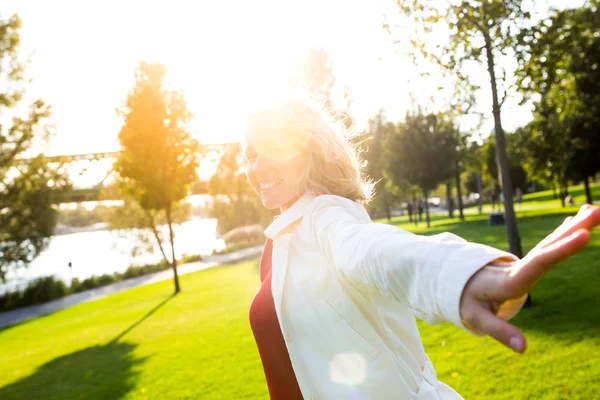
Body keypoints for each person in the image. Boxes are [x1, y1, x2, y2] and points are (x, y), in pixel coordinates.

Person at [244, 101, 600, 399]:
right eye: (250, 154)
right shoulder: (279, 242)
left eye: (273, 149)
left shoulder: (326, 215)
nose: (257, 166)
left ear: (310, 154)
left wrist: (458, 275)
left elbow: (369, 251)